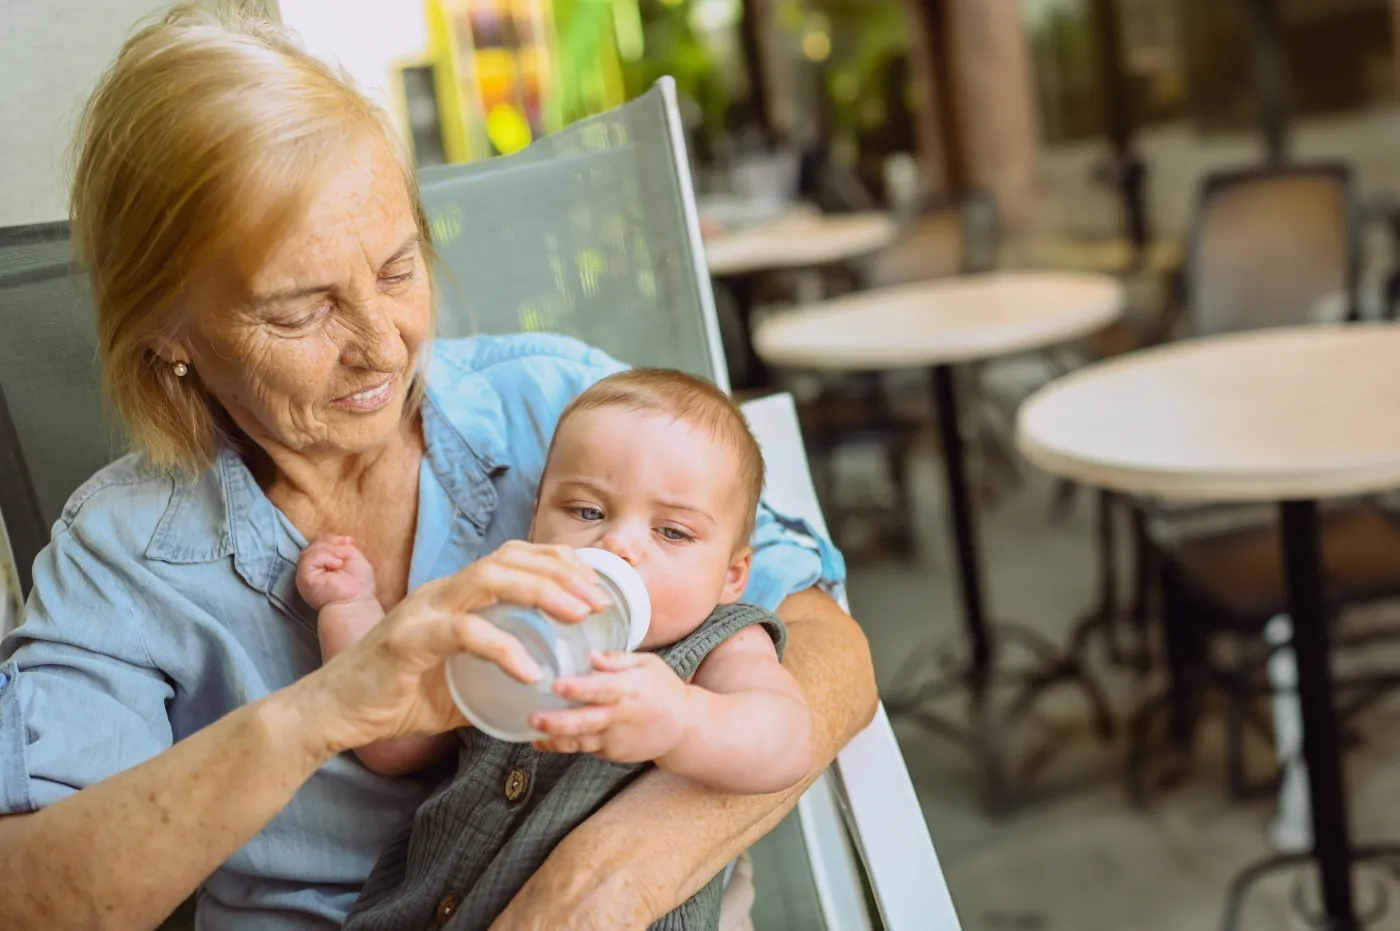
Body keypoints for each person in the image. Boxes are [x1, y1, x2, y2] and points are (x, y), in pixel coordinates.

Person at [0, 6, 876, 931]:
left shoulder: (566, 412)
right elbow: (27, 899)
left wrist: (599, 883)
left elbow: (828, 652)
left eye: (396, 268)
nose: (382, 349)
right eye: (301, 313)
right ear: (167, 332)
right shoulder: (125, 554)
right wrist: (320, 712)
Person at [298, 370, 811, 929]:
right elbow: (393, 741)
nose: (617, 544)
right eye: (588, 512)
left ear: (733, 575)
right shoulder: (504, 617)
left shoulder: (724, 643)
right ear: (537, 519)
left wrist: (685, 721)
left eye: (673, 532)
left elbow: (787, 740)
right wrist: (349, 608)